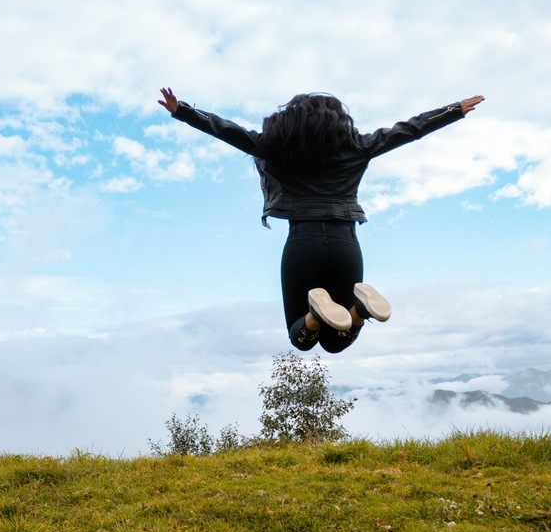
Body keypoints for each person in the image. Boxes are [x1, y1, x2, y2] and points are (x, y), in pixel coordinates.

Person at [158, 87, 483, 353]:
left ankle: (316, 313)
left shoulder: (275, 148)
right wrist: (454, 110)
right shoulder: (357, 147)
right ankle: (359, 308)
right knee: (335, 342)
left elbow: (229, 131)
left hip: (303, 241)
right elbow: (408, 130)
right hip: (346, 243)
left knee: (302, 337)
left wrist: (182, 110)